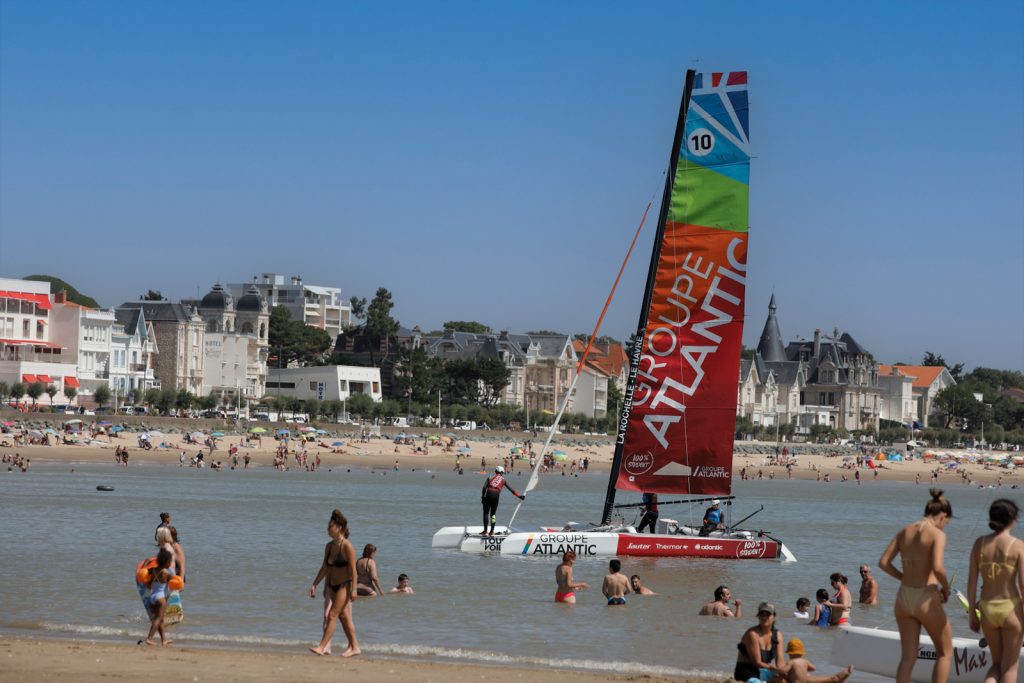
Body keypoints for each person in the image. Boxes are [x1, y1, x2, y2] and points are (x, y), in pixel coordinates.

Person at [879, 488, 953, 683]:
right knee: (945, 652)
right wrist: (946, 588)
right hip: (926, 597)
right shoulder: (937, 534)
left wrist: (904, 577)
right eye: (947, 522)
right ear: (943, 516)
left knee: (908, 657)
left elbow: (884, 563)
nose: (945, 526)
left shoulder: (905, 530)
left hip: (903, 597)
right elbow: (937, 568)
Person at [967, 498, 1023, 683]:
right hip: (1011, 608)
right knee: (1010, 667)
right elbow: (1023, 584)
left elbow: (972, 584)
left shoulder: (979, 544)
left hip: (988, 609)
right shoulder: (1018, 546)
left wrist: (972, 617)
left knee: (996, 665)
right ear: (1012, 519)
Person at [309, 509, 359, 657]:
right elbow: (324, 567)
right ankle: (355, 647)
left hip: (345, 585)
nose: (328, 528)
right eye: (328, 525)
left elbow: (353, 570)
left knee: (332, 616)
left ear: (339, 528)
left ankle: (322, 646)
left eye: (331, 526)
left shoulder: (347, 546)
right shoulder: (329, 546)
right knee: (344, 618)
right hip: (332, 585)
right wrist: (315, 584)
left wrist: (354, 589)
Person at [733, 602, 784, 681]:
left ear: (774, 617)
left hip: (764, 670)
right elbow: (757, 662)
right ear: (758, 616)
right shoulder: (752, 634)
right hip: (746, 670)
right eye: (762, 614)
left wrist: (782, 672)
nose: (764, 617)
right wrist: (774, 669)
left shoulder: (778, 635)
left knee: (788, 678)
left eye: (768, 614)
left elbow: (780, 660)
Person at [774, 637, 853, 683]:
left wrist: (773, 668)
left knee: (779, 679)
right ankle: (836, 678)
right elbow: (813, 668)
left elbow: (782, 671)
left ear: (790, 653)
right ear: (801, 653)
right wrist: (804, 670)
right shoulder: (805, 661)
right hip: (804, 681)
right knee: (808, 676)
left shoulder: (791, 662)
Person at [144, 548, 176, 646]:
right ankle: (149, 638)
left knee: (160, 620)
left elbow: (144, 571)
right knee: (158, 619)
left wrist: (147, 561)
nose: (171, 563)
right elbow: (175, 582)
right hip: (161, 599)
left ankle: (164, 640)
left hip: (153, 596)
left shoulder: (153, 570)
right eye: (170, 561)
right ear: (166, 562)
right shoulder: (166, 573)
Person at [480, 466, 524, 536]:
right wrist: (519, 496)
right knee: (493, 515)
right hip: (496, 495)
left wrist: (483, 497)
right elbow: (511, 489)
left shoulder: (490, 477)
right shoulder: (503, 480)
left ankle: (485, 531)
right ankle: (491, 532)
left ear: (496, 471)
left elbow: (484, 488)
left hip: (488, 494)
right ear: (501, 472)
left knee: (486, 513)